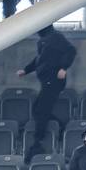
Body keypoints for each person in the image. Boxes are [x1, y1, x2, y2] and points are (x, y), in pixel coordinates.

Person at [18, 26, 77, 162]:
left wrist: (63, 68)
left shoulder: (56, 37)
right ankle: (60, 126)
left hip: (54, 80)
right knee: (37, 109)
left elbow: (71, 50)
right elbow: (39, 59)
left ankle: (38, 142)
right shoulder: (44, 40)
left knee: (41, 110)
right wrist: (26, 70)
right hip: (46, 80)